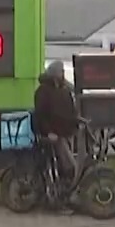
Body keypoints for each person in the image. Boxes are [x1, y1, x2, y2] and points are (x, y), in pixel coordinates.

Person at [33, 60, 81, 188]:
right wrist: (48, 132)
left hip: (67, 131)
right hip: (54, 134)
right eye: (61, 72)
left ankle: (67, 183)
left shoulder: (65, 90)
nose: (63, 74)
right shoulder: (43, 91)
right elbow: (41, 115)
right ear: (55, 75)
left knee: (75, 157)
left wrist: (77, 121)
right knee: (69, 164)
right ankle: (66, 185)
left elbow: (71, 110)